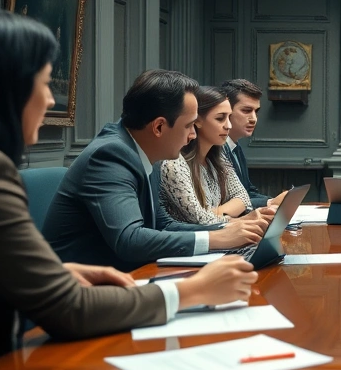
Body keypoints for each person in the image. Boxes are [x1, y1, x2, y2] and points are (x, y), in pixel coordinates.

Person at [0, 8, 257, 370]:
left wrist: (59, 273)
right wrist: (192, 291)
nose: (51, 101)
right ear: (9, 89)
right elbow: (72, 305)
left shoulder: (142, 152)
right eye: (46, 83)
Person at [44, 70, 272, 272]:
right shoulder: (110, 155)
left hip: (127, 278)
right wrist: (216, 238)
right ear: (159, 127)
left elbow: (164, 225)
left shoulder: (145, 152)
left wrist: (231, 228)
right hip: (78, 294)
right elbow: (129, 239)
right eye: (189, 125)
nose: (193, 135)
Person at [161, 86, 253, 225]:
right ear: (197, 120)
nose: (228, 125)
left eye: (229, 117)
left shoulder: (217, 156)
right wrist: (240, 220)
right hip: (192, 243)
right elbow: (199, 219)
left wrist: (213, 214)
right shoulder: (174, 162)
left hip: (219, 236)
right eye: (220, 118)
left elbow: (243, 198)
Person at [220, 79, 287, 208]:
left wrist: (273, 201)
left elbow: (248, 191)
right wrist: (270, 203)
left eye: (256, 111)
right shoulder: (216, 149)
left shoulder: (235, 147)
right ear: (226, 110)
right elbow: (227, 201)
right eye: (246, 111)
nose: (254, 119)